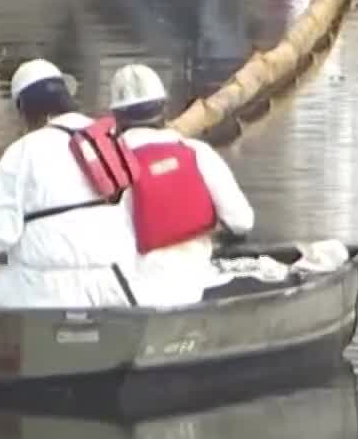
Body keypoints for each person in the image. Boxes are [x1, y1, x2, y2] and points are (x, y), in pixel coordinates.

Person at [0, 58, 140, 309]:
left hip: (48, 291)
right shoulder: (108, 139)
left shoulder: (24, 150)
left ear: (24, 109)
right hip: (116, 283)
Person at [105, 63, 255, 307]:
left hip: (131, 297)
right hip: (195, 286)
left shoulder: (107, 167)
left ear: (116, 117)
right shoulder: (198, 153)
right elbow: (242, 222)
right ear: (164, 107)